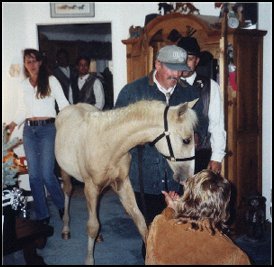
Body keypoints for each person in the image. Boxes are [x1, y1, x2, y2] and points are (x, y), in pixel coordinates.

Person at [115, 45, 204, 225]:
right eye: (172, 69)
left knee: (177, 228)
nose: (177, 75)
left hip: (178, 178)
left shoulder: (190, 93)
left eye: (181, 70)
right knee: (149, 230)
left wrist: (195, 136)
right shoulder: (132, 92)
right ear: (157, 64)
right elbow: (117, 132)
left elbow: (201, 125)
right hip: (144, 176)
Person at [7, 49, 69, 224]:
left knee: (47, 174)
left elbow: (63, 104)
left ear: (40, 62)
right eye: (28, 62)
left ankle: (61, 205)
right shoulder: (23, 85)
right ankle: (42, 214)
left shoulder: (51, 80)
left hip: (48, 130)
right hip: (29, 131)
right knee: (34, 176)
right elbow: (22, 110)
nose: (31, 65)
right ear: (25, 65)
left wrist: (73, 120)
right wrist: (13, 124)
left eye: (34, 61)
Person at [145, 169, 251, 265]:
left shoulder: (159, 225)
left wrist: (170, 209)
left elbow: (150, 256)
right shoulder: (236, 256)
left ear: (187, 196)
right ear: (224, 207)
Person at [177, 36, 226, 174]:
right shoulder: (170, 85)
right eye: (181, 58)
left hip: (201, 155)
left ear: (197, 61)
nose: (185, 63)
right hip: (174, 156)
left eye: (190, 58)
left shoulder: (210, 87)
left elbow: (217, 125)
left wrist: (217, 157)